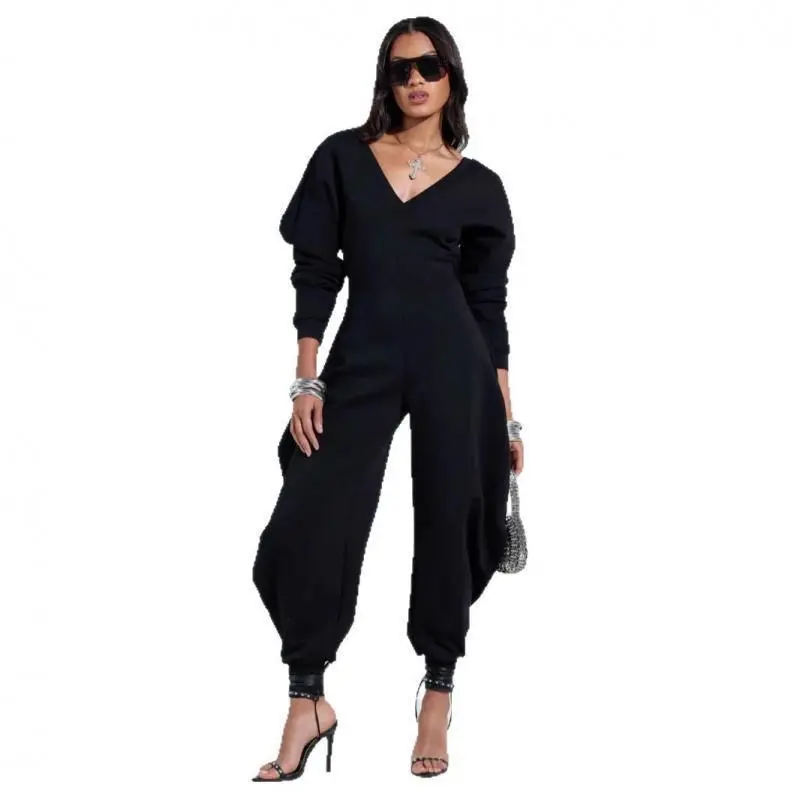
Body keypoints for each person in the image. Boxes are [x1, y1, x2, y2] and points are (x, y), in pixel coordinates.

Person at [251, 15, 524, 781]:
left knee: (449, 512)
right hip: (362, 359)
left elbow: (488, 308)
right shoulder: (343, 157)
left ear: (451, 77)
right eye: (401, 68)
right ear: (386, 79)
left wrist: (507, 417)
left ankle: (437, 693)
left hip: (454, 363)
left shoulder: (480, 186)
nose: (415, 80)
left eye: (429, 66)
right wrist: (308, 378)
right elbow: (316, 271)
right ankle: (307, 701)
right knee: (312, 515)